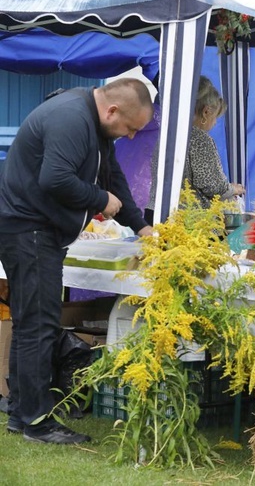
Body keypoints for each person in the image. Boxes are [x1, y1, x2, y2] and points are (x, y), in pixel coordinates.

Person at [0, 78, 155, 444]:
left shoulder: (95, 123)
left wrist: (141, 226)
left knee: (30, 322)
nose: (131, 136)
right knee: (40, 324)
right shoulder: (70, 117)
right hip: (30, 230)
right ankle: (37, 422)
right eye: (130, 128)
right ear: (112, 110)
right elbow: (55, 178)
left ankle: (22, 414)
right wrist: (100, 199)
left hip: (35, 229)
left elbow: (113, 176)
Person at [145, 76, 245, 224]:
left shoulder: (168, 133)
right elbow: (212, 185)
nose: (215, 122)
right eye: (215, 116)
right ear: (206, 112)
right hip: (187, 220)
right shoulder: (199, 139)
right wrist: (233, 189)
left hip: (156, 211)